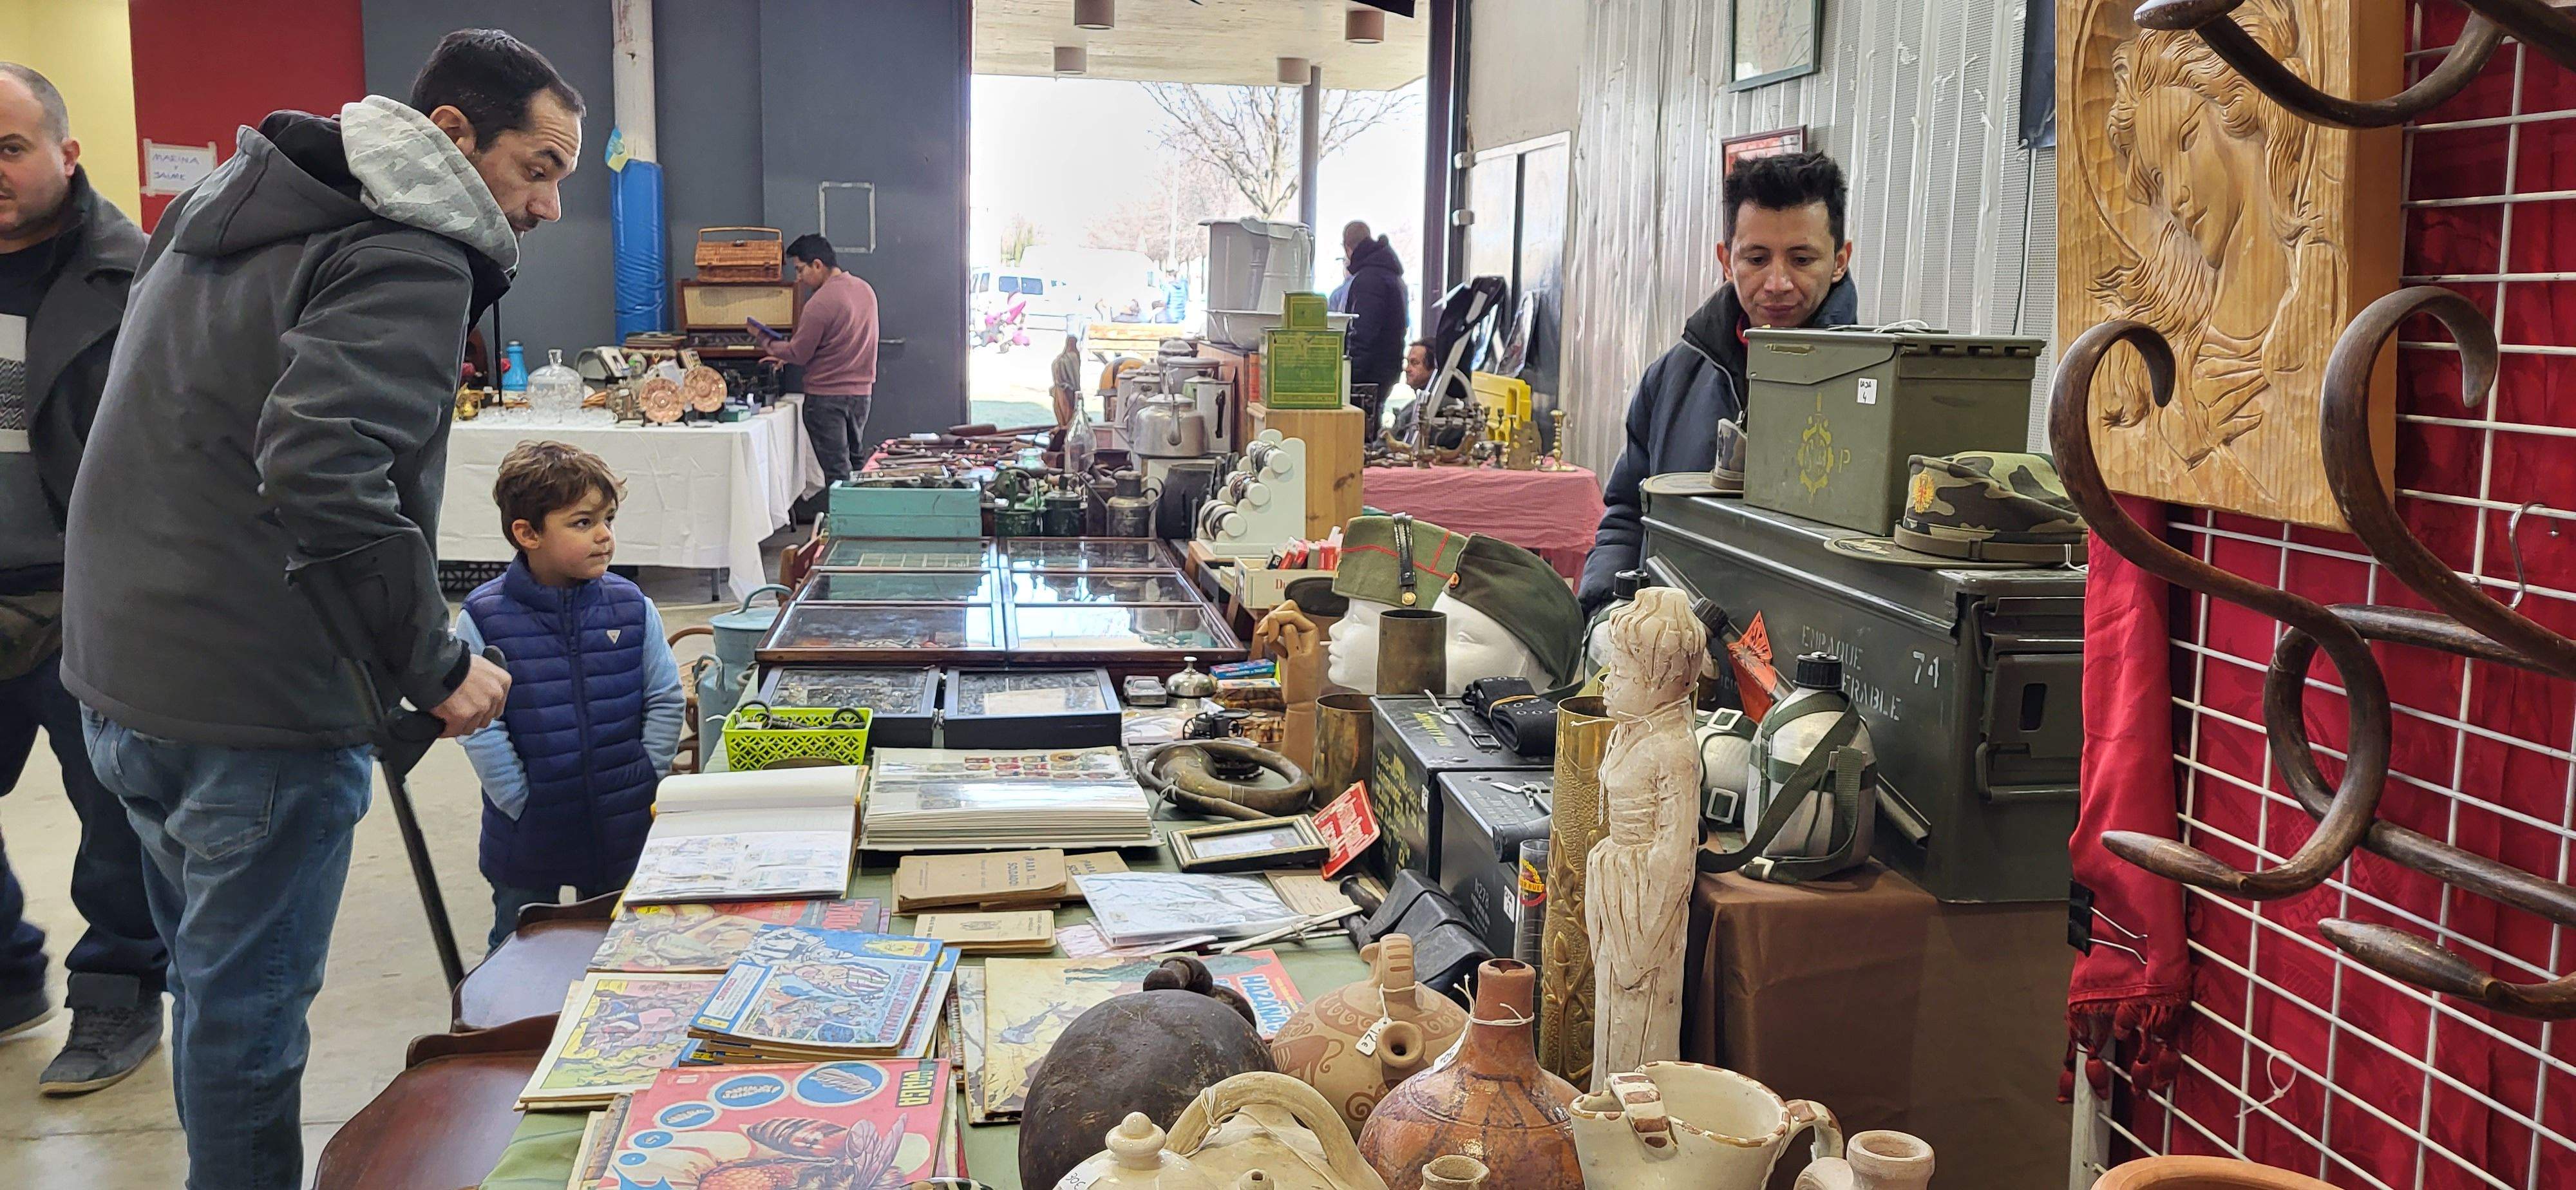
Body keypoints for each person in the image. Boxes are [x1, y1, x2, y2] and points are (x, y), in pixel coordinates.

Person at [62, 28, 578, 1187]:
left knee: (210, 987)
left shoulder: (227, 201)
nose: (546, 206)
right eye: (539, 167)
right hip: (254, 698)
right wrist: (436, 662)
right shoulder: (411, 249)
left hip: (127, 675)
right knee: (247, 1019)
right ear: (452, 134)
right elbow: (323, 465)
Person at [0, 61, 167, 1097]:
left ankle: (117, 998)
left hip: (83, 598)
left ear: (66, 153)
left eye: (8, 148)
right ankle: (7, 972)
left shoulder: (140, 278)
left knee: (115, 822)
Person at [1577, 151, 1859, 615]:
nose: (1778, 282)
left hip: (1808, 672)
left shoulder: (1880, 395)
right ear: (1727, 260)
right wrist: (1605, 612)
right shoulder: (1670, 380)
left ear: (1839, 260)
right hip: (1669, 666)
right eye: (1757, 258)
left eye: (1802, 258)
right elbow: (1628, 514)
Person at [453, 442, 683, 949]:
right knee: (520, 947)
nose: (604, 537)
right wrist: (515, 798)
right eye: (582, 523)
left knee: (622, 944)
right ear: (527, 533)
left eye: (610, 519)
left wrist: (648, 774)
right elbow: (479, 724)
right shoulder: (484, 618)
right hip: (527, 832)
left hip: (622, 821)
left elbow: (665, 697)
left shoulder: (631, 607)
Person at [759, 233, 878, 482]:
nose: (799, 278)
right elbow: (839, 343)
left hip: (826, 399)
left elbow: (800, 353)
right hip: (861, 396)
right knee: (856, 464)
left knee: (836, 473)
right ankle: (862, 516)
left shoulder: (820, 302)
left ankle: (842, 520)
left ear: (818, 265)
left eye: (801, 270)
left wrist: (767, 342)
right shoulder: (866, 290)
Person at [1330, 220, 1408, 437]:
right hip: (1386, 372)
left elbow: (1362, 335)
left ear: (1348, 249)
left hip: (1367, 377)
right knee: (1370, 433)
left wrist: (1349, 377)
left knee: (1357, 441)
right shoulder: (1391, 276)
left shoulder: (1368, 281)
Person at [1392, 337, 1474, 448]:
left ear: (1433, 369)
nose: (1407, 369)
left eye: (1414, 363)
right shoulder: (1412, 409)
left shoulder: (1442, 408)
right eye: (1408, 362)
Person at [1050, 333, 1084, 426]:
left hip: (1069, 389)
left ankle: (1067, 425)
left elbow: (1074, 372)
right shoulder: (1063, 357)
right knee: (1060, 408)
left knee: (1068, 408)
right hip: (1061, 388)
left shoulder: (1073, 356)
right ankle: (1063, 424)